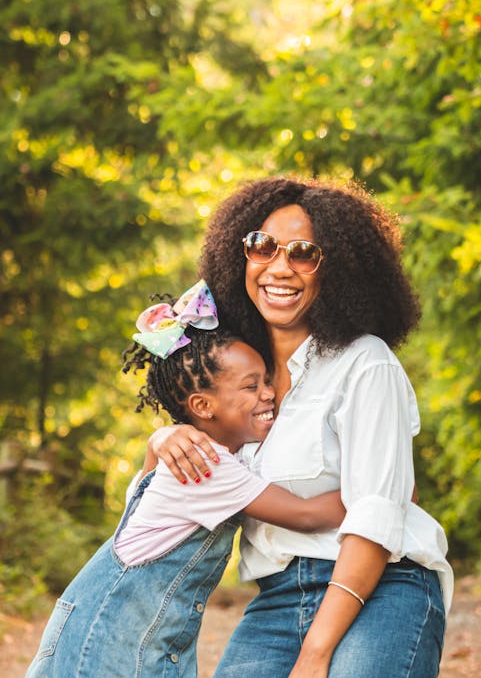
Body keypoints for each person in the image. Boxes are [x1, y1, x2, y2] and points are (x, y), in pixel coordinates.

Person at [149, 177, 453, 678]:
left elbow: (377, 515)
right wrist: (162, 438)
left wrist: (316, 652)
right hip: (278, 598)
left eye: (304, 253)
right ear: (240, 256)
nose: (280, 267)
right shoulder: (237, 378)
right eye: (263, 246)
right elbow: (178, 489)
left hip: (381, 587)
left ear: (338, 272)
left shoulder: (365, 363)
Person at [25, 279, 345, 678]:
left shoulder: (195, 457)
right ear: (202, 406)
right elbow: (307, 515)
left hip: (119, 635)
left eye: (267, 381)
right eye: (251, 386)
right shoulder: (206, 466)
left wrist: (157, 440)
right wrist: (382, 492)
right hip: (107, 642)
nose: (268, 394)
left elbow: (137, 497)